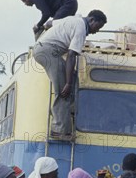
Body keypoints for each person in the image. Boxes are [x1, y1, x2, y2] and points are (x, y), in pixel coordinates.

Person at [33, 9, 107, 139]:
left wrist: (40, 30)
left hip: (42, 48)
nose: (96, 31)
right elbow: (71, 56)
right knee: (63, 90)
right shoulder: (81, 28)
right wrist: (67, 83)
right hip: (48, 52)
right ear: (91, 20)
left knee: (72, 80)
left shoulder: (72, 19)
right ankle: (59, 130)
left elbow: (50, 23)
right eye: (97, 27)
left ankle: (66, 116)